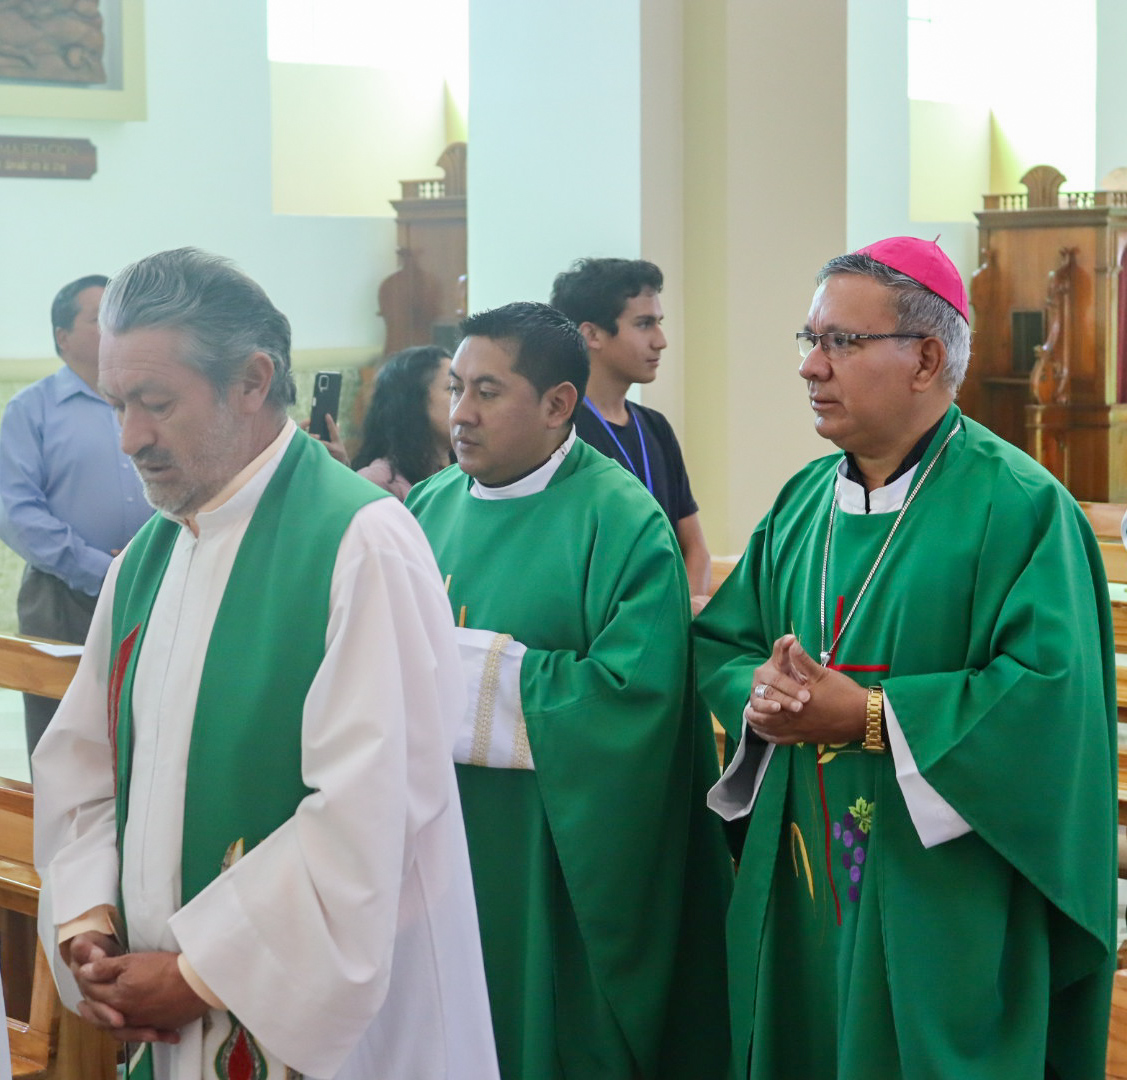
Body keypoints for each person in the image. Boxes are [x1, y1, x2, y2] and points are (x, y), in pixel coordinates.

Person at [32, 248, 499, 1080]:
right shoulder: (151, 554)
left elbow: (370, 808)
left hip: (330, 1033)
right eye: (116, 405)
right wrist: (88, 924)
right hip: (166, 1023)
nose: (130, 438)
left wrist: (197, 972)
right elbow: (85, 768)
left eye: (156, 403)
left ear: (251, 381)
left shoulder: (359, 543)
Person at [693, 236, 1117, 1079]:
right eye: (807, 340)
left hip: (945, 904)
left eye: (839, 342)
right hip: (804, 878)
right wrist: (759, 694)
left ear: (925, 357)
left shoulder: (1022, 510)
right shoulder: (801, 502)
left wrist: (873, 717)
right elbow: (724, 646)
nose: (811, 367)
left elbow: (1047, 703)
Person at [406, 301, 732, 1080]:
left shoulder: (619, 522)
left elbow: (633, 698)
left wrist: (457, 671)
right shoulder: (424, 508)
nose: (460, 414)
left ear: (558, 405)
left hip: (550, 860)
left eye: (487, 391)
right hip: (436, 843)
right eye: (455, 388)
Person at [0, 274, 151, 755]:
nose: (114, 327)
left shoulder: (149, 399)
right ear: (63, 337)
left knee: (140, 729)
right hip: (62, 595)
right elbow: (16, 511)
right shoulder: (32, 410)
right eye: (97, 318)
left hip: (150, 584)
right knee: (62, 738)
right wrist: (97, 568)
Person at [550, 257, 711, 609]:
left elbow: (694, 547)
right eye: (644, 324)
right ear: (591, 334)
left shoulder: (655, 427)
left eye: (659, 323)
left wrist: (685, 607)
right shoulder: (560, 433)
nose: (661, 341)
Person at [353, 344, 454, 499]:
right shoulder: (378, 483)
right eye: (453, 389)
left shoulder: (467, 472)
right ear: (415, 401)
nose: (465, 402)